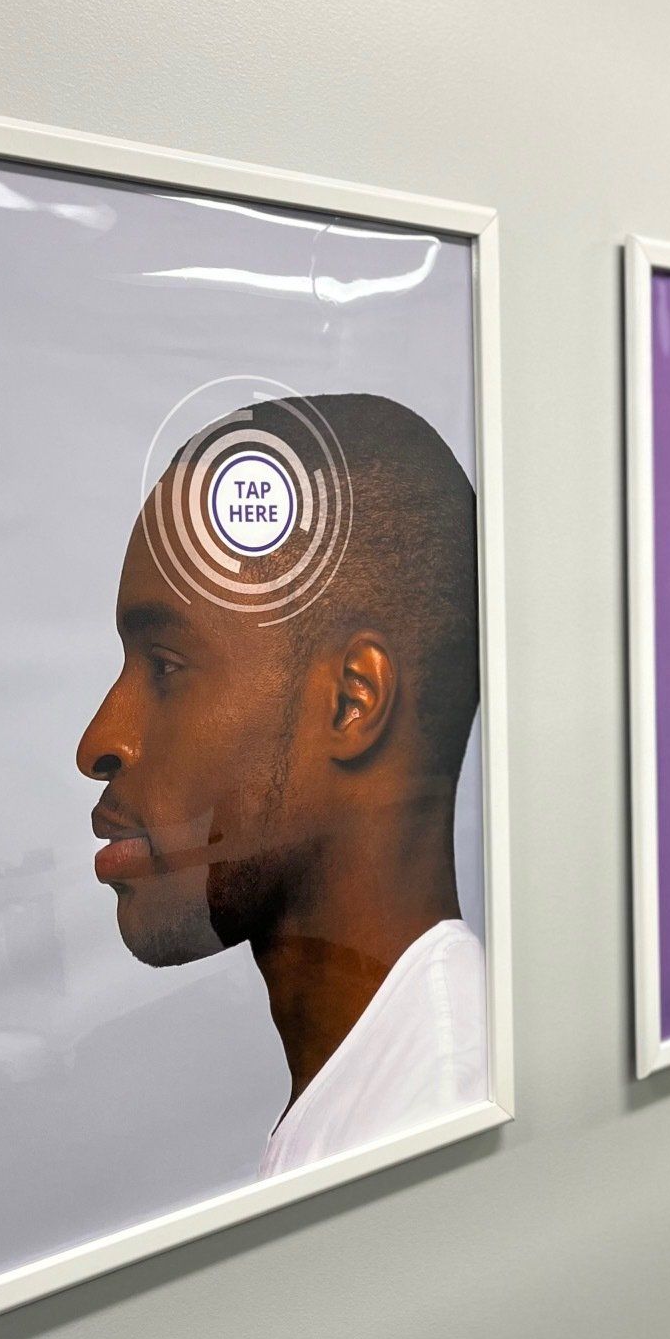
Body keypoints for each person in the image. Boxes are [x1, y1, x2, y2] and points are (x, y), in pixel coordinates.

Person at [76, 391, 487, 1179]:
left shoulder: (435, 1126)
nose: (100, 742)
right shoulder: (379, 1097)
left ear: (350, 701)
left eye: (166, 669)